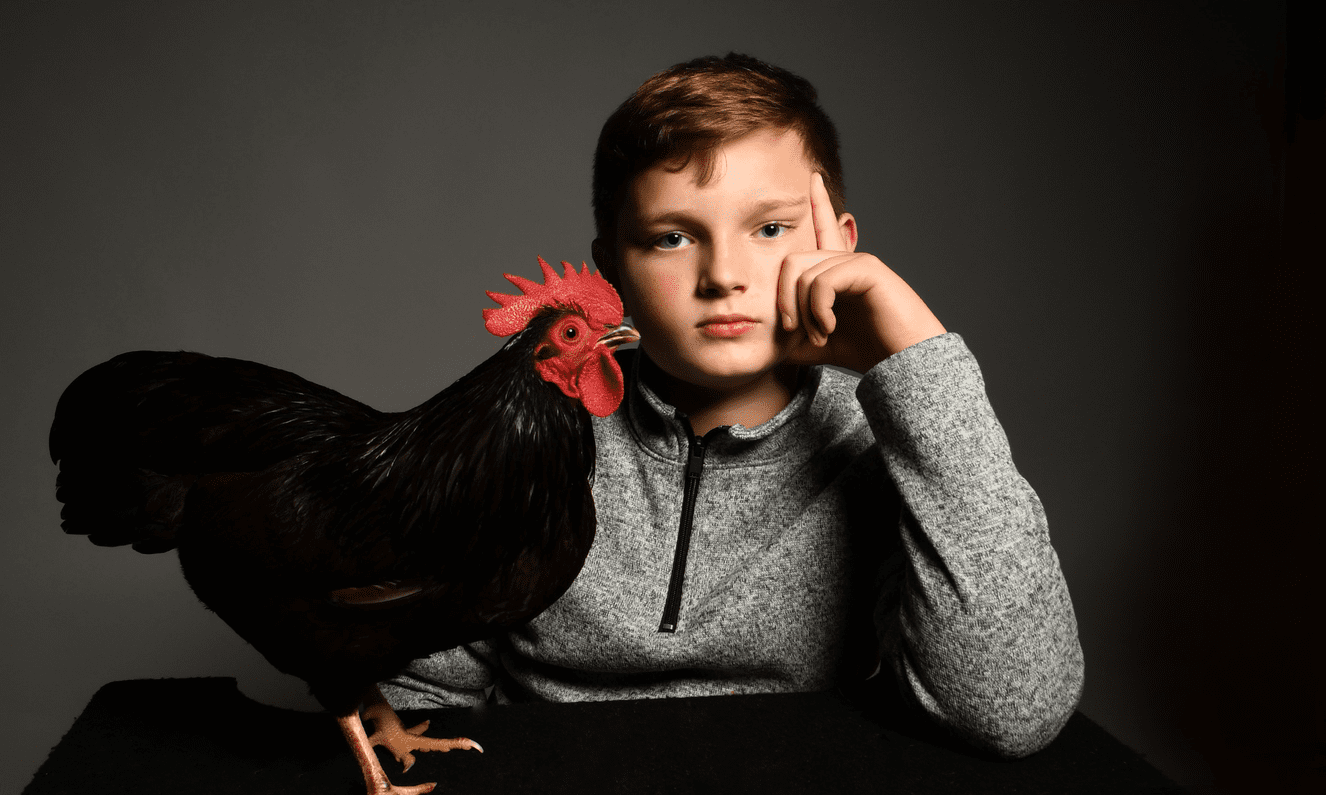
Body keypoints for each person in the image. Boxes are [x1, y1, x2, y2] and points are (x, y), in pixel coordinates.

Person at [382, 53, 1084, 758]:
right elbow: (419, 697)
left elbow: (1010, 708)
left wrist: (918, 358)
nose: (723, 276)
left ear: (839, 245)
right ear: (611, 268)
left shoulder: (888, 443)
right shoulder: (533, 437)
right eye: (673, 237)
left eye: (770, 229)